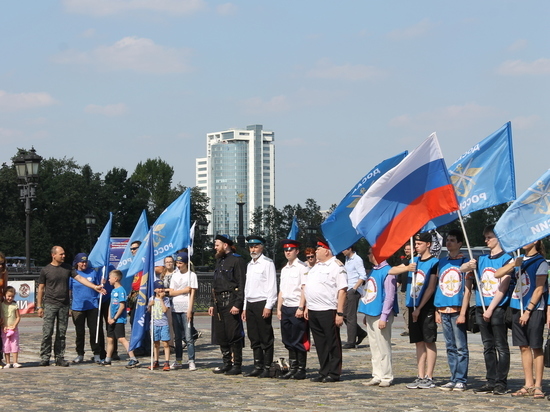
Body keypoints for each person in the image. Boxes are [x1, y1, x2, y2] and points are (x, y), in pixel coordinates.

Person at [461, 224, 512, 395]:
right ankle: (490, 380)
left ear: (498, 238)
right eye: (485, 237)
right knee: (487, 346)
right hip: (482, 307)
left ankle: (501, 382)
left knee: (501, 346)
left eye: (489, 237)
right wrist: (469, 265)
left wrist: (490, 309)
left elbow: (503, 287)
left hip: (497, 307)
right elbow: (462, 270)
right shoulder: (482, 259)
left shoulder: (507, 259)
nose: (486, 240)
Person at [494, 240, 548, 399]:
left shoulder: (541, 262)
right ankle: (528, 384)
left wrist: (529, 311)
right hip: (517, 306)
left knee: (536, 346)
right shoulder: (518, 260)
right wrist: (513, 265)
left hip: (534, 309)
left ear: (536, 241)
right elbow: (497, 273)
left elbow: (539, 289)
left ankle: (538, 385)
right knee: (523, 347)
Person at [37, 246, 106, 367]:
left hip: (63, 305)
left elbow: (79, 278)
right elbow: (41, 288)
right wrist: (39, 306)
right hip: (50, 304)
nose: (64, 256)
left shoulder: (67, 268)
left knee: (61, 333)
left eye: (64, 254)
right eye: (61, 254)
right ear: (53, 255)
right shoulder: (46, 270)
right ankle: (45, 357)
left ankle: (59, 357)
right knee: (47, 332)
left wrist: (94, 287)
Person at [390, 233, 439, 389]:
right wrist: (406, 267)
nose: (416, 246)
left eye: (418, 244)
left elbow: (431, 287)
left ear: (428, 244)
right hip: (412, 304)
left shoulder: (434, 262)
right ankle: (420, 375)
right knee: (418, 341)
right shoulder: (412, 261)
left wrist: (419, 308)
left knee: (429, 340)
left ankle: (429, 376)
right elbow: (391, 271)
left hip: (426, 306)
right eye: (415, 243)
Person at [303, 239, 347, 383]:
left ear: (327, 250)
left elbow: (342, 290)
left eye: (318, 249)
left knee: (332, 342)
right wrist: (308, 306)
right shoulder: (316, 266)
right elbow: (310, 286)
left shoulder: (336, 266)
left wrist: (340, 313)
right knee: (320, 343)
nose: (316, 251)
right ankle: (324, 371)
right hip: (314, 309)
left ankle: (334, 373)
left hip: (329, 309)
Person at [433, 230, 471, 391]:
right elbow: (438, 286)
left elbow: (468, 289)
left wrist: (463, 312)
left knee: (461, 346)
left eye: (452, 240)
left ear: (460, 243)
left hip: (457, 307)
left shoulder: (466, 262)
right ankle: (453, 377)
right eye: (447, 240)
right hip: (443, 307)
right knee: (449, 346)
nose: (448, 243)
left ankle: (461, 378)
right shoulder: (441, 262)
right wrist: (436, 309)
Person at [359, 248, 398, 387]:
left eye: (369, 253)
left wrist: (384, 316)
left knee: (383, 345)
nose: (368, 255)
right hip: (371, 312)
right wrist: (366, 313)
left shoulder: (388, 271)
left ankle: (387, 376)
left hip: (381, 314)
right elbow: (369, 293)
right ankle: (377, 374)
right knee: (374, 346)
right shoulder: (374, 270)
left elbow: (389, 296)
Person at [208, 234, 246, 375]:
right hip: (219, 302)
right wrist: (212, 303)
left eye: (217, 245)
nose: (215, 247)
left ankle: (237, 364)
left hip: (231, 300)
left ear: (225, 245)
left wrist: (238, 304)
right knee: (221, 335)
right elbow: (215, 283)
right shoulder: (220, 261)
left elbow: (242, 284)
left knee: (234, 334)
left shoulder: (237, 261)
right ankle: (226, 363)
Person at [242, 235, 278, 378]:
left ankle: (267, 366)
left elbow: (272, 286)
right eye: (251, 247)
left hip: (262, 302)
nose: (253, 249)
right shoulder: (249, 264)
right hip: (250, 302)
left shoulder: (267, 263)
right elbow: (247, 288)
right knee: (253, 336)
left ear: (262, 247)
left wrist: (269, 305)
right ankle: (258, 365)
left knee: (265, 336)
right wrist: (244, 307)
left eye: (256, 246)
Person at [276, 239, 309, 380]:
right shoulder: (284, 269)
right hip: (286, 307)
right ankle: (293, 367)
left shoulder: (302, 267)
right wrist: (278, 309)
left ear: (297, 251)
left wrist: (301, 307)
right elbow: (282, 291)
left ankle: (301, 369)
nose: (288, 252)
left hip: (296, 307)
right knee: (288, 339)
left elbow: (304, 289)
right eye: (285, 250)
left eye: (290, 250)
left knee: (298, 339)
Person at [69, 253, 105, 364]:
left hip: (93, 305)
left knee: (95, 331)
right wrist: (69, 305)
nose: (84, 264)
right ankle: (80, 354)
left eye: (85, 261)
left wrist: (102, 283)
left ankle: (97, 353)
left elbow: (99, 285)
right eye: (81, 262)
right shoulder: (73, 275)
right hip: (78, 306)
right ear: (77, 263)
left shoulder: (93, 272)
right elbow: (69, 290)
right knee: (79, 332)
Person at [100, 270, 139, 368]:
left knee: (121, 338)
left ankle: (133, 358)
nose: (109, 280)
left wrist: (115, 318)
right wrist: (109, 317)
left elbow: (122, 306)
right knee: (110, 339)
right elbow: (111, 305)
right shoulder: (113, 291)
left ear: (115, 279)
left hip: (119, 320)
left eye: (110, 278)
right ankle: (107, 359)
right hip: (111, 319)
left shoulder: (121, 290)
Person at [168, 252, 198, 371]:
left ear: (186, 263)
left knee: (188, 336)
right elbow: (171, 292)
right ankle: (178, 359)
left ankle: (191, 360)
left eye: (180, 263)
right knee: (177, 337)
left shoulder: (192, 275)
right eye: (177, 263)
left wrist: (189, 309)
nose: (178, 265)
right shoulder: (175, 275)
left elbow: (192, 293)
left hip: (186, 307)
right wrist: (183, 290)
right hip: (175, 307)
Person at [342, 245, 368, 349]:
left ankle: (351, 341)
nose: (342, 251)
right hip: (347, 289)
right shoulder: (347, 259)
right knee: (344, 314)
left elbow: (363, 275)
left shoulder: (357, 259)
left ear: (350, 248)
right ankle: (360, 332)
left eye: (344, 249)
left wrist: (354, 288)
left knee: (351, 315)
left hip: (354, 290)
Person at [147, 279, 171, 371]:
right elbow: (148, 311)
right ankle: (156, 360)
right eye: (158, 288)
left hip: (163, 324)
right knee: (156, 344)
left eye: (162, 288)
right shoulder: (151, 299)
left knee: (165, 343)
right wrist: (149, 305)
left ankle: (166, 361)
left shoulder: (166, 299)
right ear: (154, 290)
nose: (160, 290)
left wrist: (161, 299)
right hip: (154, 324)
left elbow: (165, 310)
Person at [2, 286, 21, 368]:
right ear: (4, 295)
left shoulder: (14, 305)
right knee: (6, 345)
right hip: (5, 329)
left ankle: (15, 362)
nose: (10, 298)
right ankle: (8, 362)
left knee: (14, 345)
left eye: (12, 296)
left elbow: (18, 317)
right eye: (8, 296)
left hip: (14, 329)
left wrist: (14, 325)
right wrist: (3, 326)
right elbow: (1, 316)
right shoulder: (2, 305)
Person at [396, 244, 412, 336]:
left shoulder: (414, 260)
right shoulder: (404, 261)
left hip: (412, 289)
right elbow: (399, 278)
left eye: (409, 249)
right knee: (404, 309)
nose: (407, 251)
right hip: (403, 289)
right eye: (406, 249)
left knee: (411, 309)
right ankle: (408, 328)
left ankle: (412, 328)